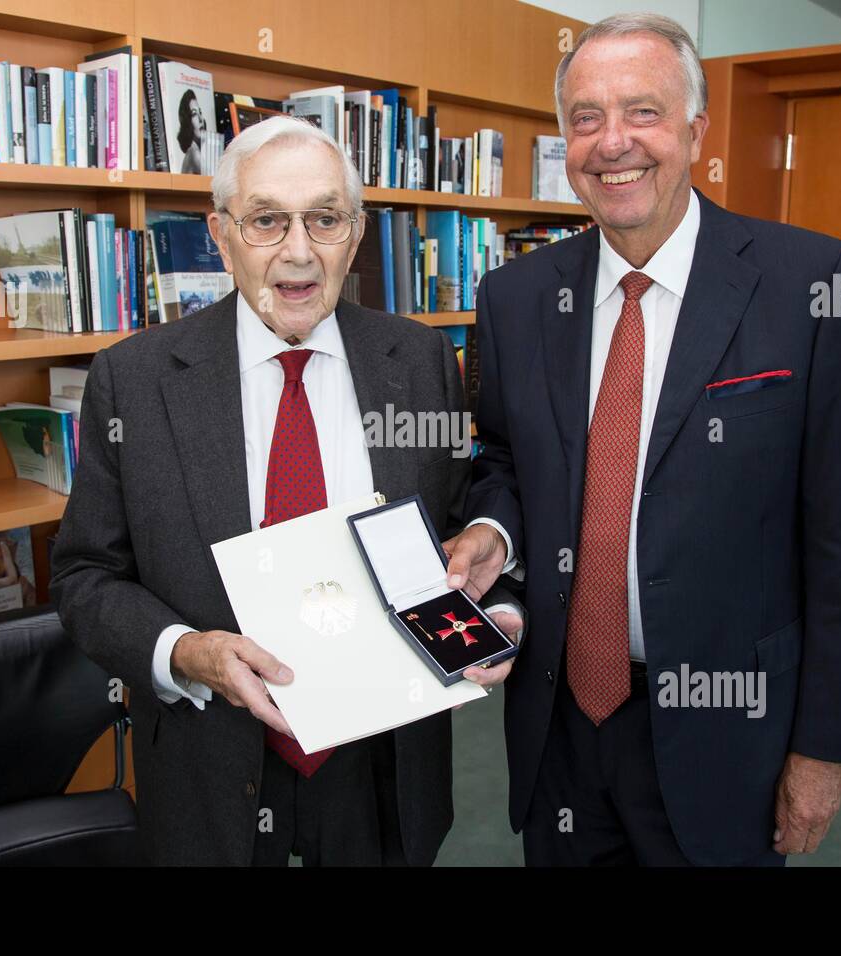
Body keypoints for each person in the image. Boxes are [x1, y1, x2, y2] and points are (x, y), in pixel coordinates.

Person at [442, 13, 841, 866]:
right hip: (560, 721)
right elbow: (500, 456)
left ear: (695, 128)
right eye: (585, 118)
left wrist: (823, 749)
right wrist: (492, 531)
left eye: (642, 112)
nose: (613, 143)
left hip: (732, 731)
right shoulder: (515, 297)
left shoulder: (810, 283)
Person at [51, 115, 522, 866]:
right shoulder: (133, 381)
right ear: (221, 234)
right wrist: (186, 652)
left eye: (325, 219)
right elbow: (85, 578)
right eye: (267, 220)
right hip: (213, 761)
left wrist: (493, 613)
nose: (298, 252)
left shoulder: (422, 361)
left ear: (357, 233)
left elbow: (466, 531)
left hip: (386, 766)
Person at [178, 89, 207, 174]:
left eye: (200, 112)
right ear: (188, 123)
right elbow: (217, 180)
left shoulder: (195, 150)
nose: (201, 119)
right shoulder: (193, 152)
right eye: (194, 114)